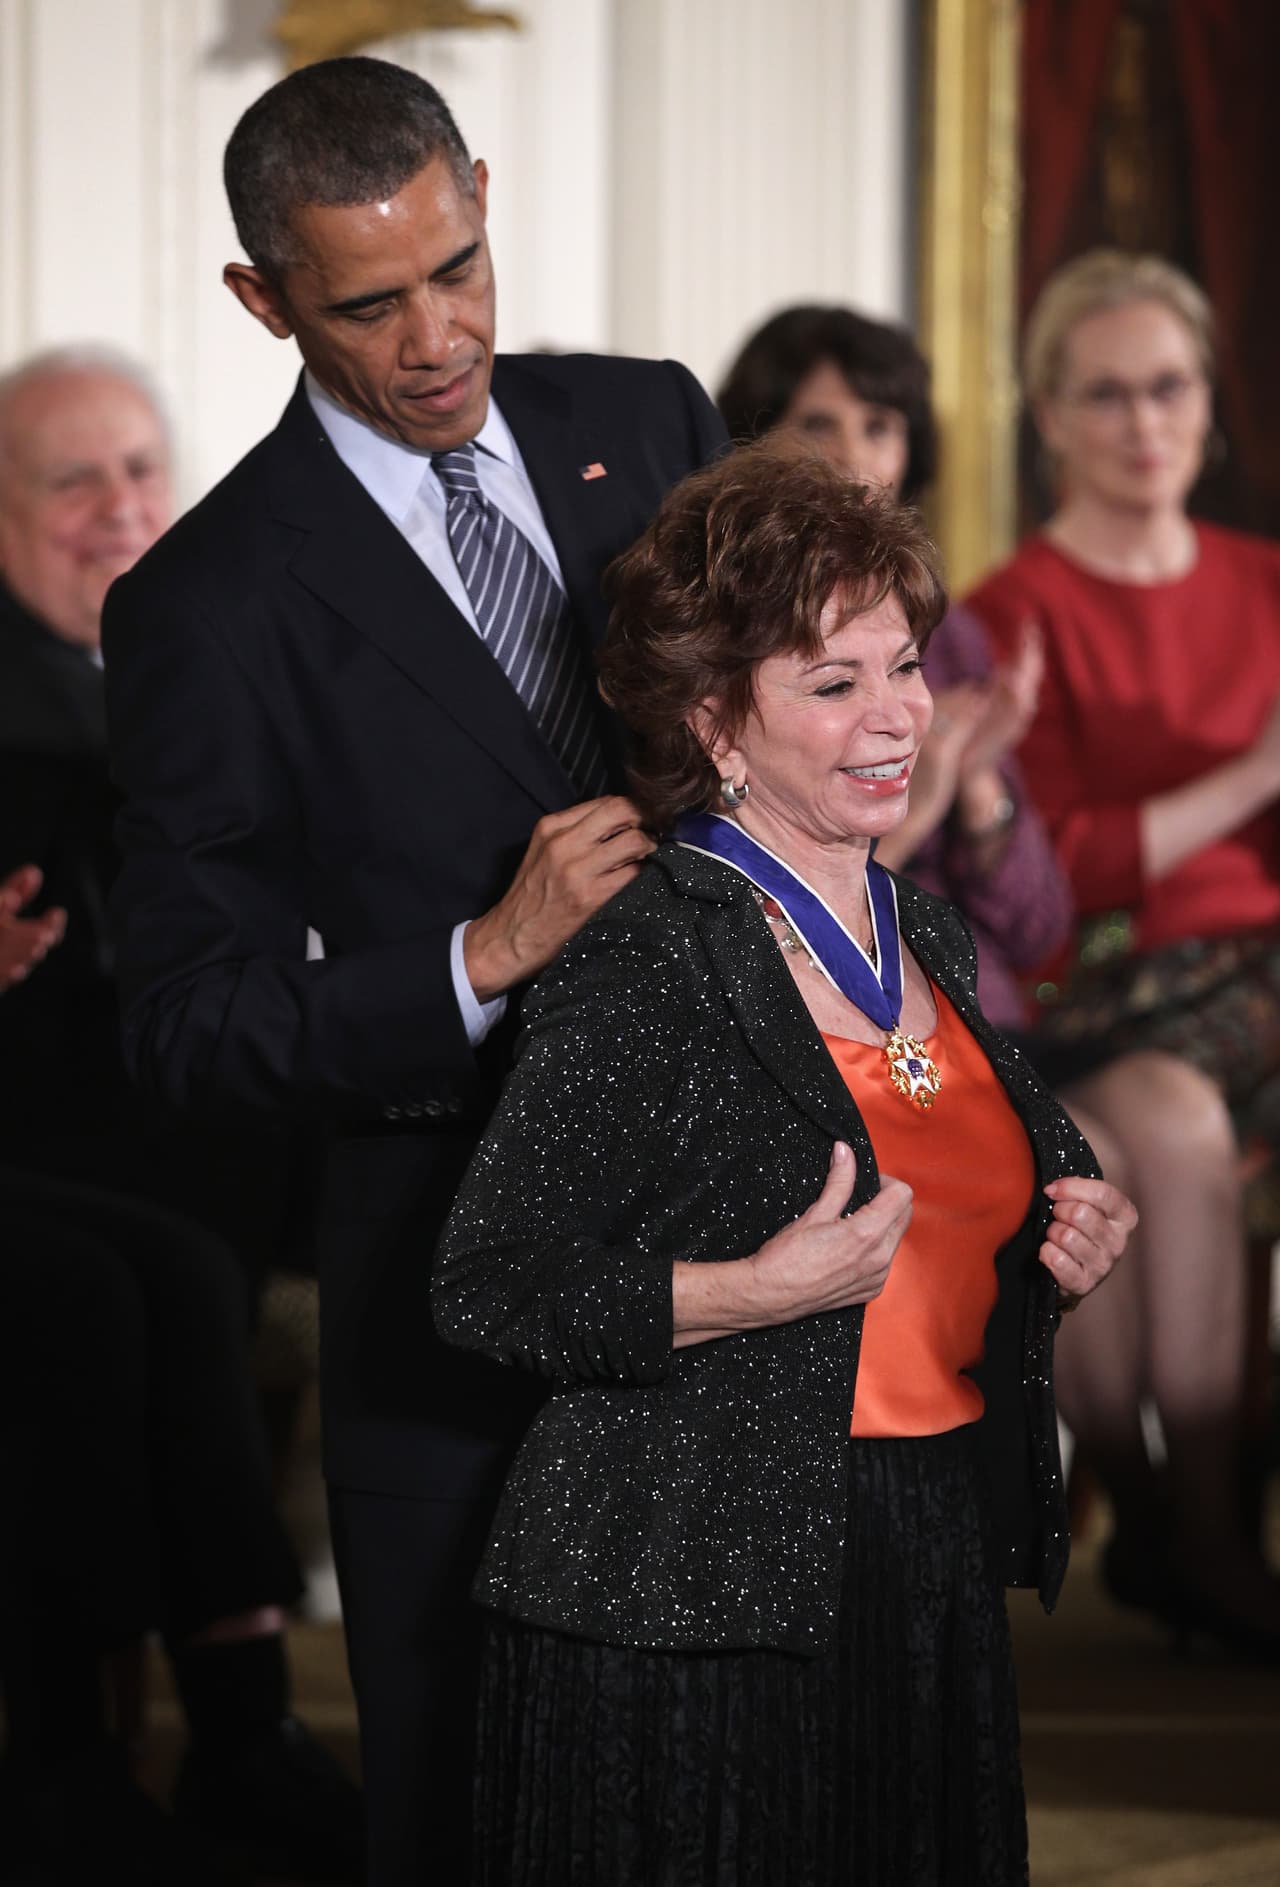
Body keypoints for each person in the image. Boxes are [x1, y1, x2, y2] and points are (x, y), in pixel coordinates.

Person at [101, 55, 727, 1884]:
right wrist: (479, 956)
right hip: (456, 1272)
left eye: (458, 267)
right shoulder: (207, 601)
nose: (439, 337)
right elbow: (186, 1026)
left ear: (480, 194)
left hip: (740, 1235)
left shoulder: (651, 419)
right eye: (371, 304)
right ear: (264, 300)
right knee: (475, 1813)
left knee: (747, 1795)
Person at [434, 443, 1134, 1886]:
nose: (897, 715)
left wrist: (1068, 1233)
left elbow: (971, 1193)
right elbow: (489, 1285)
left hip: (921, 1557)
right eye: (832, 682)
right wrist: (748, 1291)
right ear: (715, 722)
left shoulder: (922, 929)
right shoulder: (646, 949)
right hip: (690, 1594)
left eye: (905, 665)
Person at [0, 349, 362, 1882]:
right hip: (56, 1118)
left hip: (183, 1109)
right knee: (146, 1258)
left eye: (139, 468)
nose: (116, 505)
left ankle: (245, 1720)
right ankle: (123, 1745)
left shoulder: (206, 645)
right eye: (69, 480)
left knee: (237, 1220)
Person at [966, 249, 1280, 1652]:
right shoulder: (1011, 610)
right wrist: (1250, 774)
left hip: (1251, 975)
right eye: (1105, 394)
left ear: (1207, 399)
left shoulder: (1265, 584)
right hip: (1079, 982)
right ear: (1048, 415)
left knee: (1164, 1115)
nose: (1143, 422)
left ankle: (1186, 1527)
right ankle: (1169, 1518)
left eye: (1168, 387)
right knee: (1094, 1138)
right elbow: (1055, 865)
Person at [717, 304, 1070, 1032]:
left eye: (879, 426)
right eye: (818, 424)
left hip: (986, 1019)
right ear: (754, 440)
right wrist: (927, 795)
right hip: (827, 1026)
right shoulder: (726, 629)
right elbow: (757, 936)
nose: (851, 457)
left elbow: (1039, 930)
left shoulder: (950, 632)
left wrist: (979, 781)